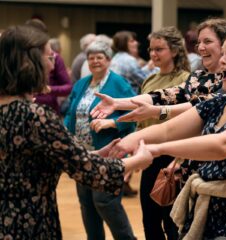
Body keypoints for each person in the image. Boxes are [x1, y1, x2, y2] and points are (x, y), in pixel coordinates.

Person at [108, 30, 226, 239]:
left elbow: (222, 145)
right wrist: (124, 144)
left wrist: (158, 149)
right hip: (207, 213)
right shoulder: (219, 102)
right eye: (222, 54)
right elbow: (168, 129)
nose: (222, 61)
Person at [0, 25, 152, 239]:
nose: (53, 65)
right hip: (29, 223)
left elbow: (49, 160)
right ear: (29, 63)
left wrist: (96, 154)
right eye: (49, 57)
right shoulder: (35, 116)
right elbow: (84, 168)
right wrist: (136, 161)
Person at [90, 18, 226, 123]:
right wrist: (116, 103)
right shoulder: (198, 76)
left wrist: (156, 111)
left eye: (207, 41)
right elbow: (162, 96)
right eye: (199, 42)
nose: (200, 47)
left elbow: (200, 106)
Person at [64, 40, 137, 240]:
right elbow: (71, 113)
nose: (95, 61)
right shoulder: (81, 83)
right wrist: (64, 132)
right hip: (82, 153)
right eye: (91, 57)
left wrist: (112, 123)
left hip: (109, 151)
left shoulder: (118, 83)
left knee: (105, 202)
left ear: (108, 60)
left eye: (99, 57)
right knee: (86, 203)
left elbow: (134, 112)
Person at [135, 26, 190, 240]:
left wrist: (179, 159)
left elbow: (189, 123)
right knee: (149, 219)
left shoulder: (186, 80)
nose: (153, 54)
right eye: (151, 49)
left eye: (159, 49)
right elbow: (141, 121)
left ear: (174, 51)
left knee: (171, 221)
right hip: (149, 155)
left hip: (173, 156)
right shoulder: (149, 80)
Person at [25, 18, 73, 115]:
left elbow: (68, 87)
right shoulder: (20, 57)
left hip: (47, 110)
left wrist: (49, 89)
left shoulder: (54, 57)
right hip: (24, 109)